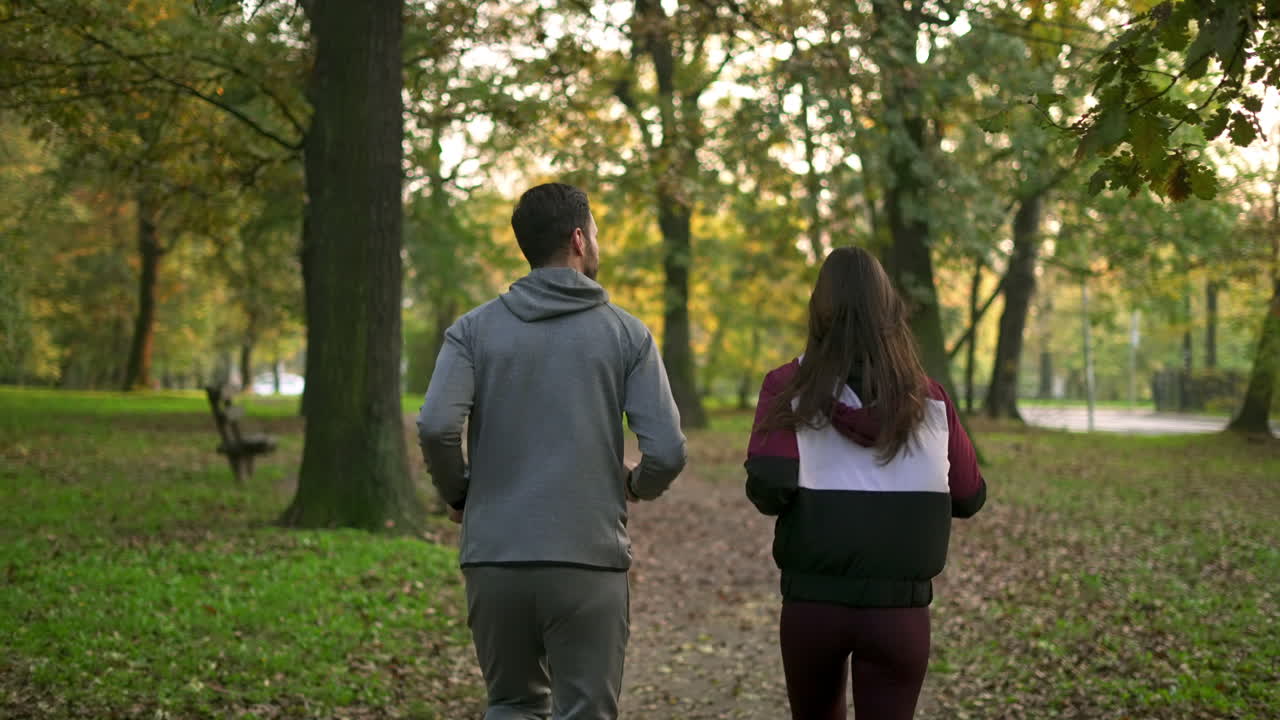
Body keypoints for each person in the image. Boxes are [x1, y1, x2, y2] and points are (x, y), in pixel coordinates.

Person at [417, 182, 687, 720]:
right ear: (579, 238)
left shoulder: (472, 331)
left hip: (494, 556)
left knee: (512, 705)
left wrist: (461, 494)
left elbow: (436, 426)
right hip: (588, 558)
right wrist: (635, 485)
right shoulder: (627, 335)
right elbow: (668, 450)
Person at [743, 246, 987, 720]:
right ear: (891, 313)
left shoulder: (788, 388)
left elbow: (768, 489)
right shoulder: (930, 399)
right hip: (901, 613)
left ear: (819, 312)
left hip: (813, 606)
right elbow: (969, 495)